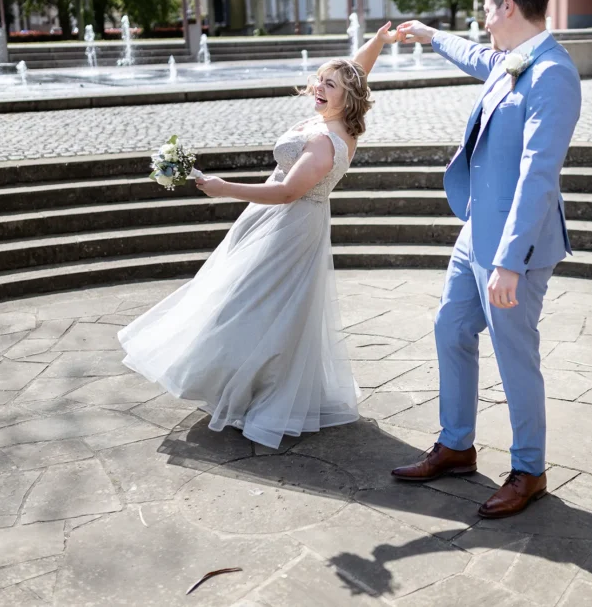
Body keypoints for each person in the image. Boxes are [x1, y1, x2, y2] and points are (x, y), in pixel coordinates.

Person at [117, 23, 398, 450]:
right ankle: (242, 383)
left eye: (329, 85)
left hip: (289, 226)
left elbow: (287, 192)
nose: (318, 88)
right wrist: (377, 42)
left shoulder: (326, 141)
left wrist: (223, 187)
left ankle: (254, 391)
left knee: (252, 306)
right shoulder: (340, 117)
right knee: (255, 304)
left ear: (348, 96)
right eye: (318, 79)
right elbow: (356, 71)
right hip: (274, 221)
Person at [391, 0, 582, 519]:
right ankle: (456, 445)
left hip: (512, 251)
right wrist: (428, 36)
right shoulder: (511, 59)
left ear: (507, 8)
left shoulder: (553, 75)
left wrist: (510, 262)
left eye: (485, 6)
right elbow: (478, 57)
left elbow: (538, 177)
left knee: (514, 355)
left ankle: (529, 469)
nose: (482, 17)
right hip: (476, 231)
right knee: (450, 328)